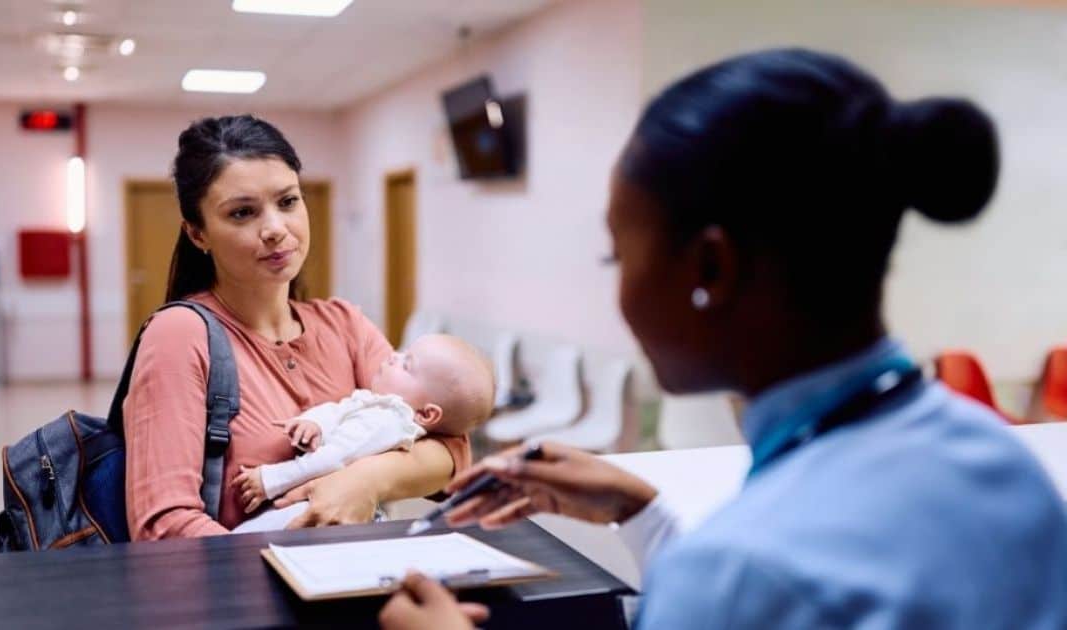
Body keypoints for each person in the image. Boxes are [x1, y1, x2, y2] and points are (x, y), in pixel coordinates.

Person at [378, 48, 1067, 629]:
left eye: (618, 256)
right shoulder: (1003, 462)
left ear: (710, 268)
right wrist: (641, 513)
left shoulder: (738, 571)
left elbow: (751, 586)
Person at [122, 115, 472, 539]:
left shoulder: (343, 324)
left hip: (348, 580)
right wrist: (292, 568)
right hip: (248, 590)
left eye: (288, 202)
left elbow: (451, 448)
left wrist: (364, 482)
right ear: (198, 234)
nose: (275, 229)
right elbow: (164, 525)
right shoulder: (180, 335)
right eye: (242, 213)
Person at [230, 334, 494, 532]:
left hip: (311, 509)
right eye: (402, 353)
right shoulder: (378, 405)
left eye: (406, 365)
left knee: (243, 547)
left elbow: (333, 458)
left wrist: (271, 479)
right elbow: (341, 410)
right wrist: (316, 424)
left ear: (426, 415)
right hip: (310, 504)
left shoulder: (389, 421)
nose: (393, 356)